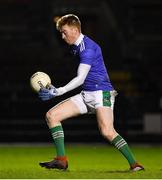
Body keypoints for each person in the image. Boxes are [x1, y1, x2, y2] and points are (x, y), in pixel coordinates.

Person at [38, 14, 144, 171]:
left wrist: (59, 91)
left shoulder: (88, 48)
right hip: (86, 94)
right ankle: (61, 160)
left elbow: (81, 78)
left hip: (101, 93)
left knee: (107, 131)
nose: (62, 36)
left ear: (75, 30)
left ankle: (135, 165)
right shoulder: (76, 46)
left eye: (64, 32)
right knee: (51, 116)